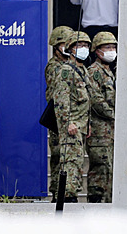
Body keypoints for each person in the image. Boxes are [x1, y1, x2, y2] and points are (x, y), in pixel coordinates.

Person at [53, 31, 96, 203]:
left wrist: (88, 124)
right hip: (71, 125)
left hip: (82, 124)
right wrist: (67, 122)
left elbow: (87, 101)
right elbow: (61, 99)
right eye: (79, 46)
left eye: (86, 45)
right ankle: (67, 196)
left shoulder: (83, 70)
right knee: (70, 162)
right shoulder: (66, 70)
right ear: (70, 49)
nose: (83, 49)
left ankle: (72, 194)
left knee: (77, 162)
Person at [86, 32, 118, 203]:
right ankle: (96, 204)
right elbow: (97, 101)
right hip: (100, 132)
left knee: (109, 170)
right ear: (97, 51)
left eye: (113, 47)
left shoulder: (109, 72)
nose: (112, 50)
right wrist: (116, 115)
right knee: (100, 170)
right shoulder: (94, 72)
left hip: (110, 132)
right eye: (107, 47)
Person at [44, 25, 73, 202]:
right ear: (56, 46)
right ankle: (57, 192)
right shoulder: (55, 67)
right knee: (58, 155)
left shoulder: (66, 65)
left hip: (63, 115)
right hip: (57, 117)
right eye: (64, 44)